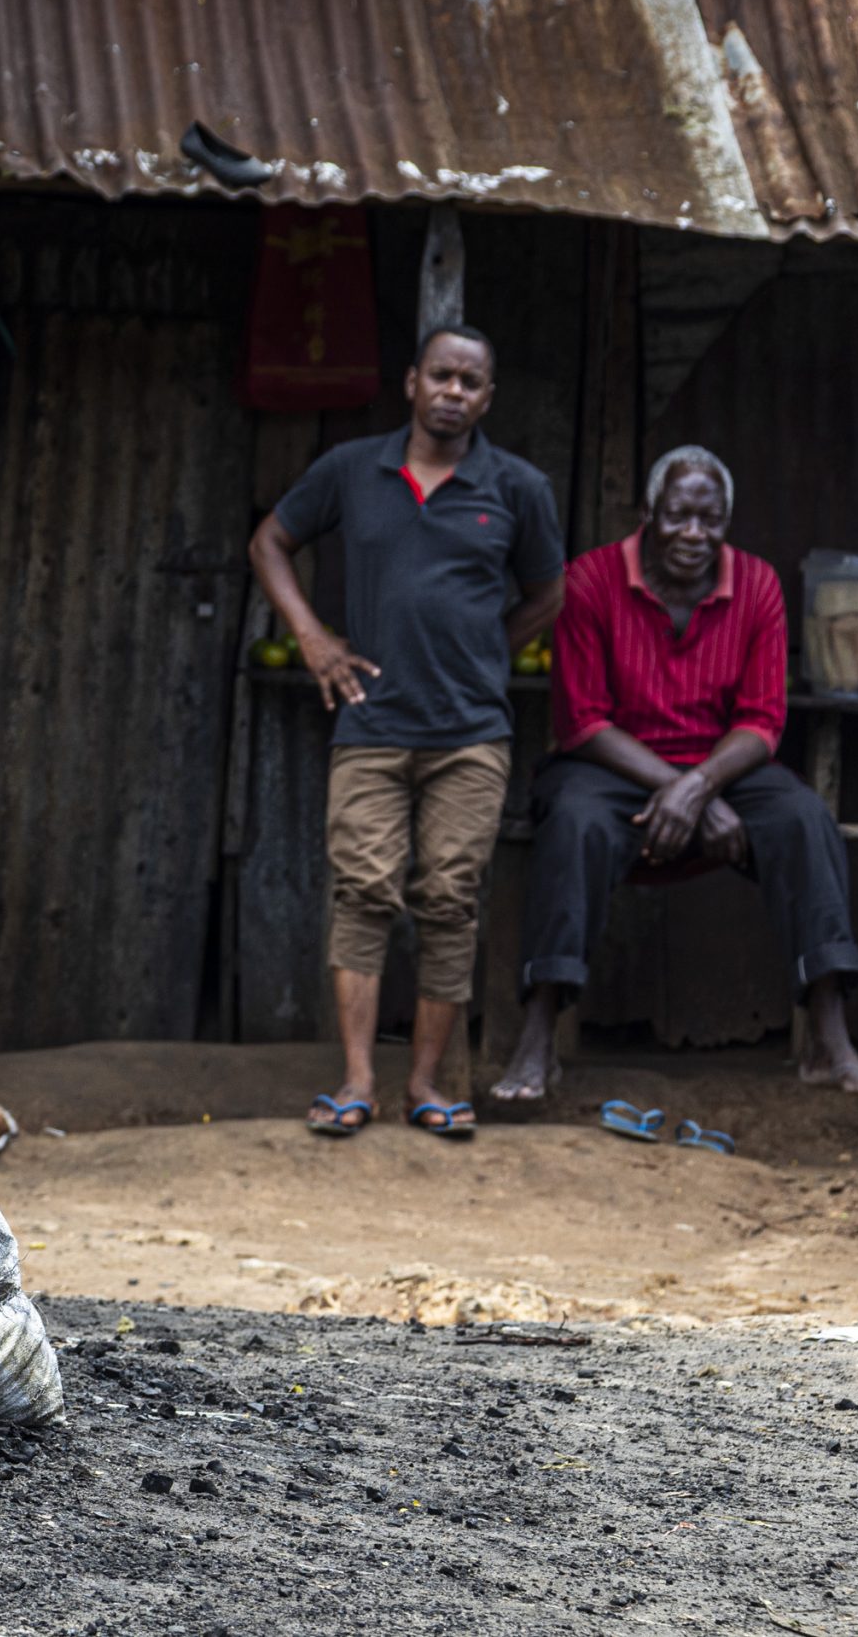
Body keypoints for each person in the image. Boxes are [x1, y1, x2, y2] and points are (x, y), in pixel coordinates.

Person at [490, 448, 858, 1103]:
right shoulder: (590, 579)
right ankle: (538, 1037)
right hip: (610, 766)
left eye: (711, 519)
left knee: (803, 819)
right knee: (574, 823)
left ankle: (829, 1040)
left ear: (727, 520)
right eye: (678, 516)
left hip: (721, 767)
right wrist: (681, 790)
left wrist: (699, 786)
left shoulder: (757, 584)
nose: (695, 533)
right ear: (648, 513)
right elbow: (583, 721)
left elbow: (762, 721)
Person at [249, 325, 566, 1138]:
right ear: (412, 383)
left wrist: (487, 649)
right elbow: (270, 541)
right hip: (373, 723)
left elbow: (548, 593)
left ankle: (426, 1083)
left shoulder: (518, 487)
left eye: (471, 381)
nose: (454, 391)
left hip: (471, 733)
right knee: (363, 893)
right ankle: (357, 1080)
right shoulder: (353, 470)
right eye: (442, 375)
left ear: (487, 398)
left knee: (451, 901)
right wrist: (312, 637)